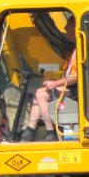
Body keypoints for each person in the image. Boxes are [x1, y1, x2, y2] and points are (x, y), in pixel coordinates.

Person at [22, 14, 77, 142]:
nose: (65, 29)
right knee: (39, 93)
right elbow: (70, 74)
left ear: (76, 28)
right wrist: (55, 81)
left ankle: (50, 132)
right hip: (71, 86)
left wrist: (55, 84)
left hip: (77, 91)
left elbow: (76, 78)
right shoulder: (75, 50)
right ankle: (29, 131)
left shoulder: (82, 50)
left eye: (68, 26)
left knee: (41, 95)